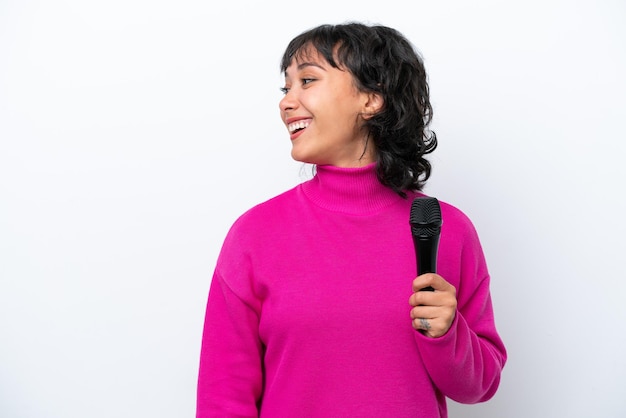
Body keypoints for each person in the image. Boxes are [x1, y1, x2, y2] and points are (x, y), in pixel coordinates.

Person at [196, 22, 507, 417]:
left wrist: (448, 333)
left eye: (307, 80)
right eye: (286, 87)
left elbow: (480, 387)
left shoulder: (446, 228)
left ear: (372, 98)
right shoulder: (254, 235)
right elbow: (223, 399)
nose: (287, 102)